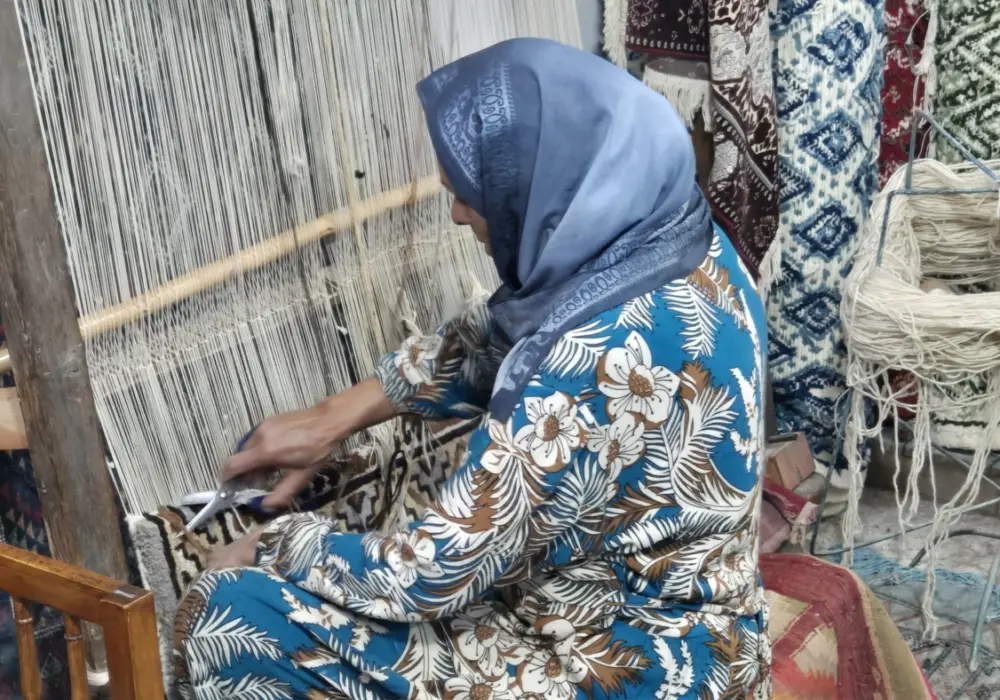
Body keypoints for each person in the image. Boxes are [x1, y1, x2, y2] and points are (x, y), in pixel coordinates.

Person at [175, 37, 770, 700]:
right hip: (717, 643)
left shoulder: (581, 361)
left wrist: (275, 544)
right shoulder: (680, 239)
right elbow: (497, 346)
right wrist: (336, 416)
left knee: (231, 613)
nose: (458, 215)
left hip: (622, 670)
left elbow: (426, 574)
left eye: (469, 195)